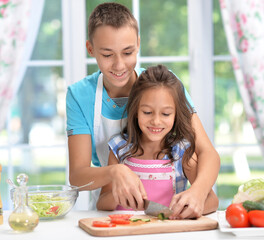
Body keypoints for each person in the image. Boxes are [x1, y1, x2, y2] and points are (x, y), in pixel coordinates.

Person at [66, 2, 220, 219]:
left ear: (138, 44)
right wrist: (115, 171)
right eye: (107, 55)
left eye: (127, 52)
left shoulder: (164, 87)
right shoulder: (79, 95)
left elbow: (208, 152)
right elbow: (78, 176)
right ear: (90, 49)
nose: (119, 65)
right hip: (112, 214)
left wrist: (198, 192)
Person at [96, 65, 219, 217]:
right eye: (147, 112)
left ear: (176, 115)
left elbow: (212, 200)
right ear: (135, 111)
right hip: (124, 232)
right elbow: (101, 203)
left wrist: (185, 211)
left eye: (166, 114)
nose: (156, 121)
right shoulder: (120, 148)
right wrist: (119, 195)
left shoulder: (182, 153)